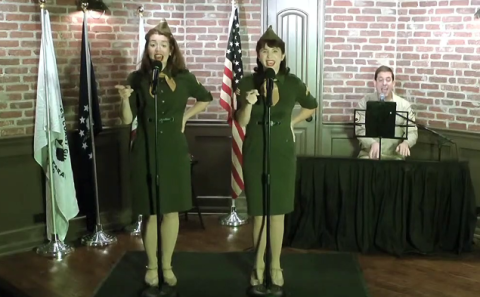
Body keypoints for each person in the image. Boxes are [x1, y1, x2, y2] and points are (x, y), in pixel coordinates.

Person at [116, 20, 213, 288]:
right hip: (145, 148)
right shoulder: (137, 79)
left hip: (173, 149)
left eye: (163, 44)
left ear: (171, 49)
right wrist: (124, 98)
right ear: (147, 49)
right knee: (151, 212)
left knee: (170, 211)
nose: (157, 49)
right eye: (152, 44)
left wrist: (186, 116)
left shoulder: (184, 78)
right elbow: (127, 119)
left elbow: (206, 98)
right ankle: (151, 266)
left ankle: (167, 265)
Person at [234, 26, 318, 288]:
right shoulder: (247, 82)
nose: (269, 55)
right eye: (264, 50)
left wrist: (291, 123)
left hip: (281, 150)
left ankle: (275, 265)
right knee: (259, 212)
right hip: (256, 148)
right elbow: (241, 121)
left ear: (283, 56)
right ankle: (258, 265)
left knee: (278, 212)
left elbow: (311, 105)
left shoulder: (293, 83)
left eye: (275, 51)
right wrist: (247, 103)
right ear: (258, 55)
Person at [355, 65, 418, 160]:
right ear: (375, 83)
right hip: (369, 155)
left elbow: (412, 131)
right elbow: (360, 129)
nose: (384, 83)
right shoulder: (365, 102)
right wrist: (372, 143)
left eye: (388, 80)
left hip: (394, 156)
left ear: (393, 83)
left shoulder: (404, 105)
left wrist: (406, 143)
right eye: (380, 80)